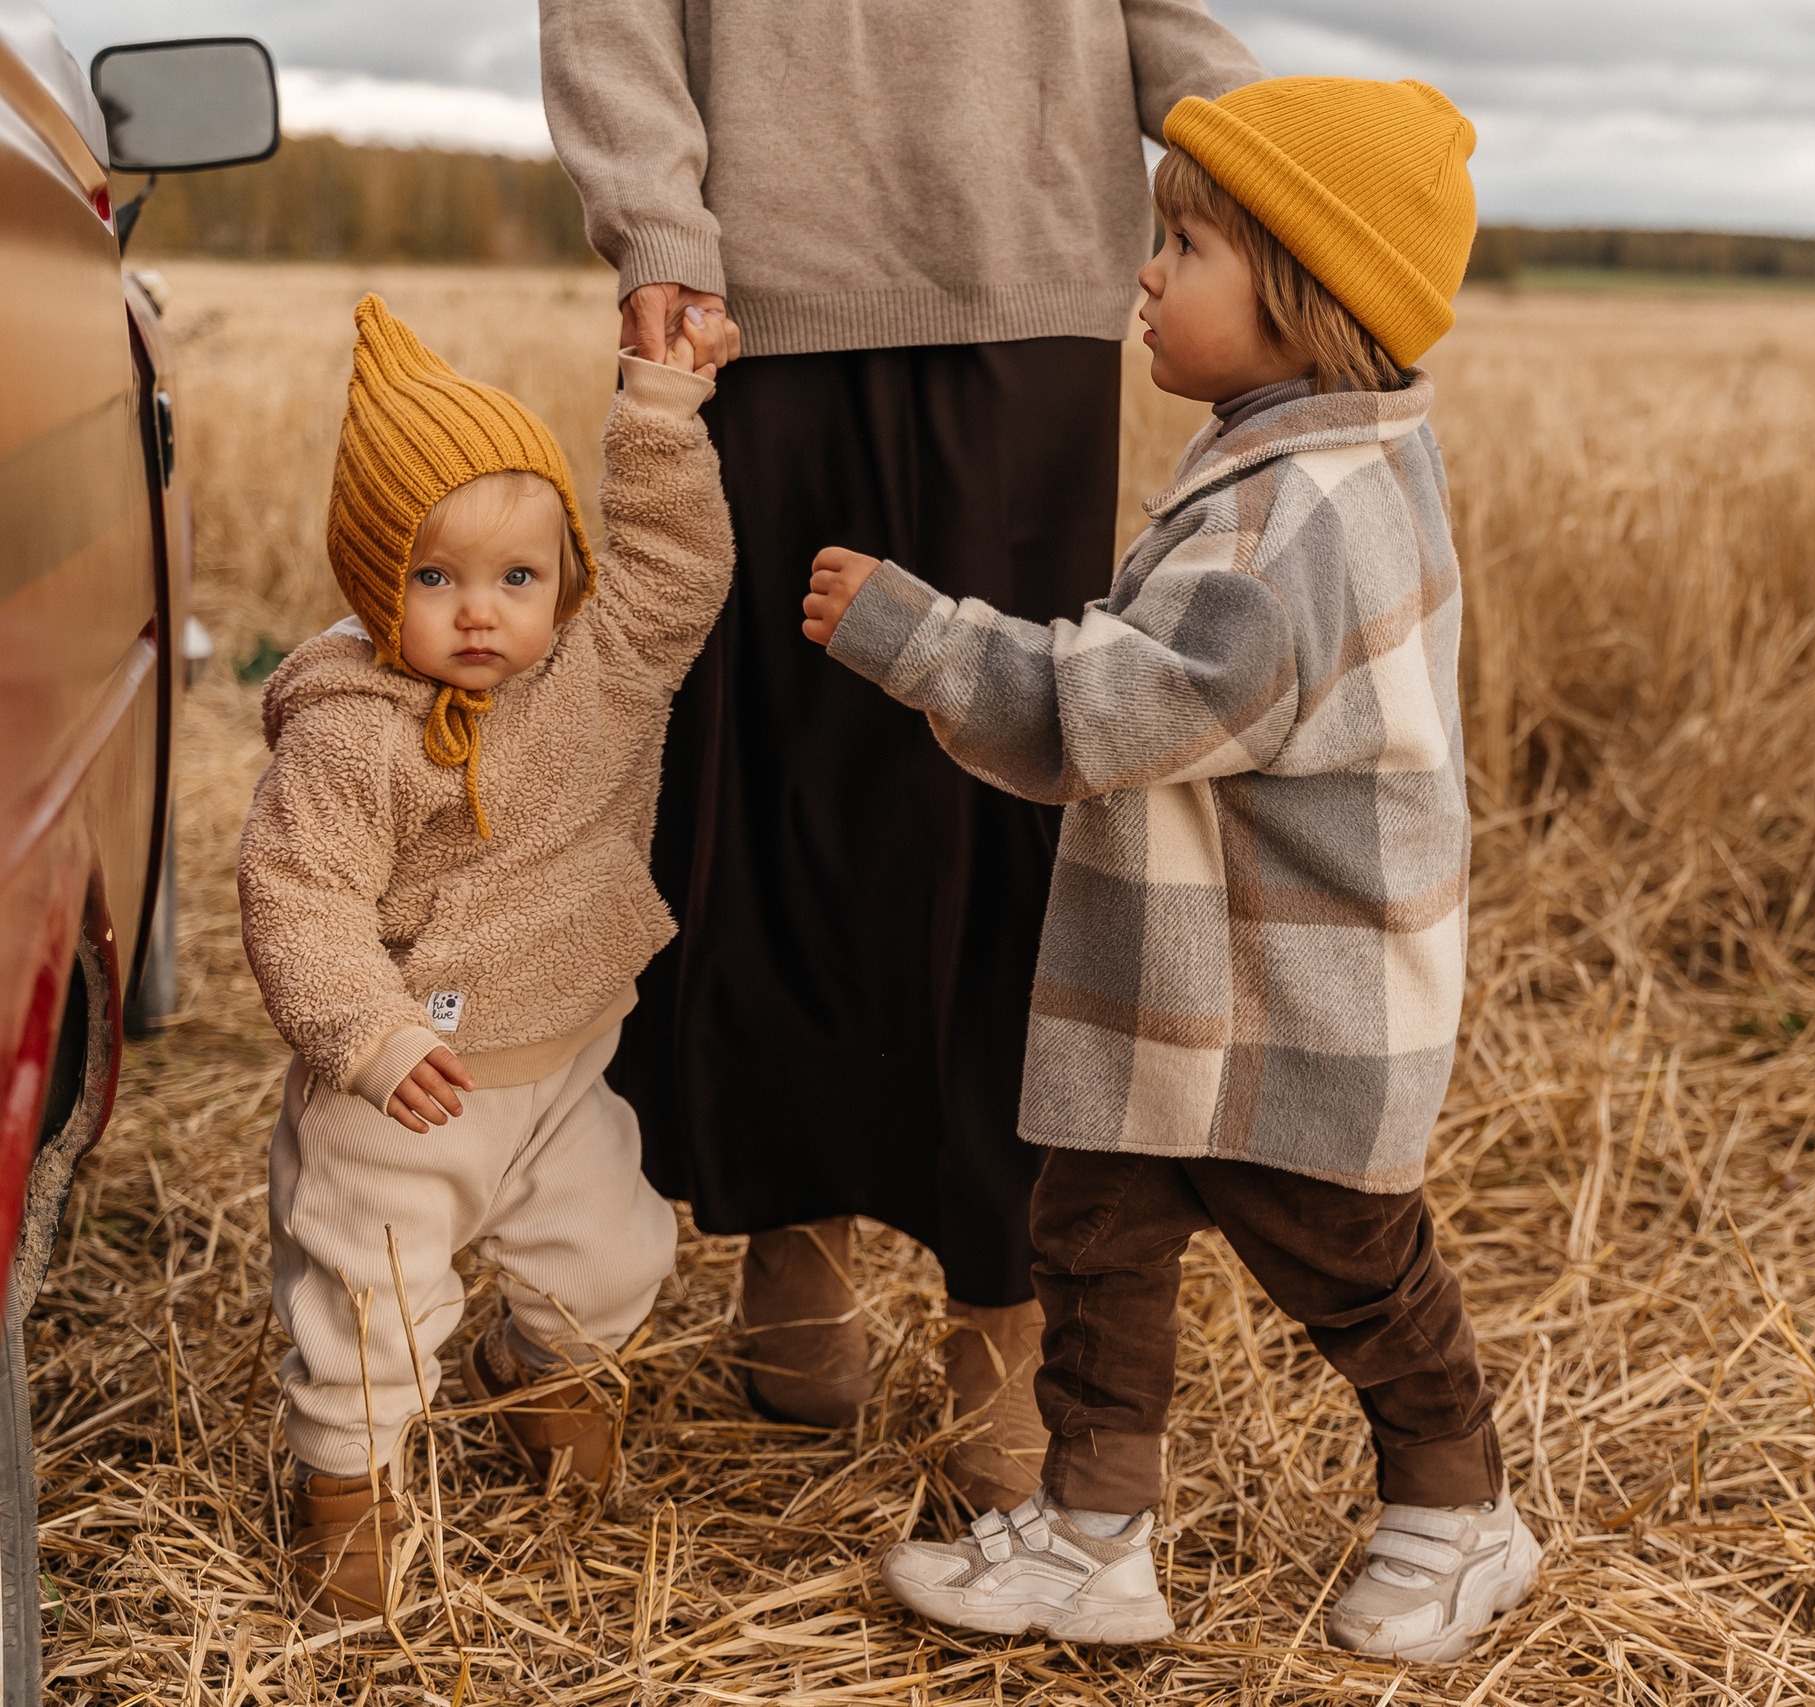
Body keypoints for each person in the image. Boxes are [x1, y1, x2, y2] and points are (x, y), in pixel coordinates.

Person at [799, 77, 1543, 1662]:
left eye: (1185, 244)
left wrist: (920, 640)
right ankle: (1091, 1538)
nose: (1147, 273)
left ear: (1303, 296)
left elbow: (1110, 711)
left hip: (1294, 999)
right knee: (1096, 1236)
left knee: (1350, 1265)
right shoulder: (1294, 458)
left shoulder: (1292, 530)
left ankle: (1459, 1508)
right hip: (1194, 989)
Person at [537, 0, 1266, 1508]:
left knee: (1009, 804)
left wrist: (1286, 186)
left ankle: (1000, 1301)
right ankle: (795, 1220)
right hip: (767, 283)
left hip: (1036, 272)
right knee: (785, 790)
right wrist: (656, 222)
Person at [236, 295, 740, 1618]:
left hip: (564, 1060)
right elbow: (303, 903)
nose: (478, 613)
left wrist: (662, 411)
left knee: (613, 1256)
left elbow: (675, 567)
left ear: (565, 576)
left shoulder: (605, 667)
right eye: (432, 578)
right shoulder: (350, 736)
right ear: (370, 586)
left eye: (516, 578)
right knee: (370, 1301)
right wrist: (373, 1034)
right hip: (405, 1086)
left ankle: (539, 1368)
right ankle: (347, 1494)